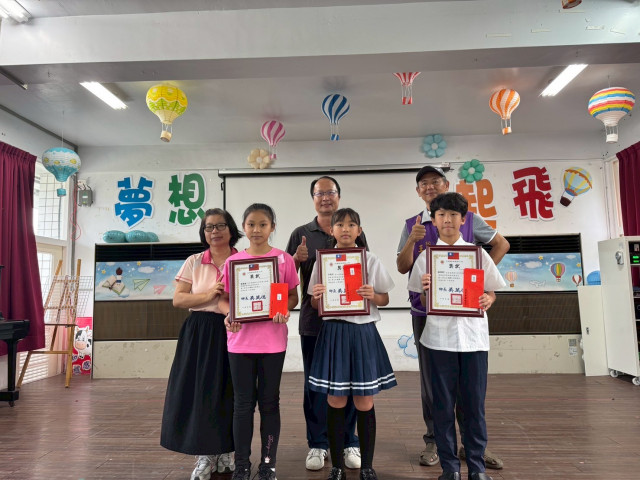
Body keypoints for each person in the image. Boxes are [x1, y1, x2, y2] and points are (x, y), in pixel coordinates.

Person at [396, 166, 509, 470]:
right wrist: (413, 247)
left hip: (472, 332)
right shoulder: (416, 234)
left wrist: (483, 290)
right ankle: (441, 451)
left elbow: (493, 282)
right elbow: (406, 274)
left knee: (472, 398)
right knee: (438, 394)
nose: (447, 220)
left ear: (462, 218)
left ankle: (474, 457)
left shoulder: (476, 248)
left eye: (435, 182)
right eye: (423, 184)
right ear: (433, 218)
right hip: (432, 324)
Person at [308, 208, 396, 480]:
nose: (345, 229)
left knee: (364, 399)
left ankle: (367, 465)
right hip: (334, 332)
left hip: (362, 332)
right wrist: (318, 296)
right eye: (340, 224)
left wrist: (373, 296)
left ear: (359, 230)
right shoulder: (322, 261)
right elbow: (314, 302)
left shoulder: (370, 259)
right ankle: (337, 466)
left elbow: (385, 299)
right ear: (331, 230)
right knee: (335, 399)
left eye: (351, 224)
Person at [286, 176, 364, 471]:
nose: (326, 197)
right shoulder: (301, 234)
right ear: (313, 199)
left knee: (349, 382)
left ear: (339, 196)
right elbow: (283, 276)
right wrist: (295, 260)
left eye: (330, 192)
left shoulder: (354, 230)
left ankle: (348, 441)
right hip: (314, 322)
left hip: (348, 322)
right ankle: (318, 443)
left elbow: (363, 268)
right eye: (320, 193)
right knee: (315, 385)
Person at [219, 203, 299, 480]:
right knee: (242, 405)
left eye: (263, 224)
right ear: (244, 227)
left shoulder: (284, 260)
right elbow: (223, 299)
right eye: (251, 224)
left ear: (272, 227)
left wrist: (284, 309)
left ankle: (268, 464)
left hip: (272, 343)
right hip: (240, 342)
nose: (256, 230)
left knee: (269, 403)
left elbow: (292, 296)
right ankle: (242, 465)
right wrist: (228, 315)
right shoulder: (233, 262)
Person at [160, 208, 241, 480]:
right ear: (203, 233)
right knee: (200, 393)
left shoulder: (242, 260)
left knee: (230, 391)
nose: (214, 231)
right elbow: (179, 299)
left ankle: (227, 450)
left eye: (220, 226)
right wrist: (208, 295)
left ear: (231, 229)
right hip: (200, 331)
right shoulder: (194, 261)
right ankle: (204, 455)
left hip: (233, 330)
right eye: (209, 227)